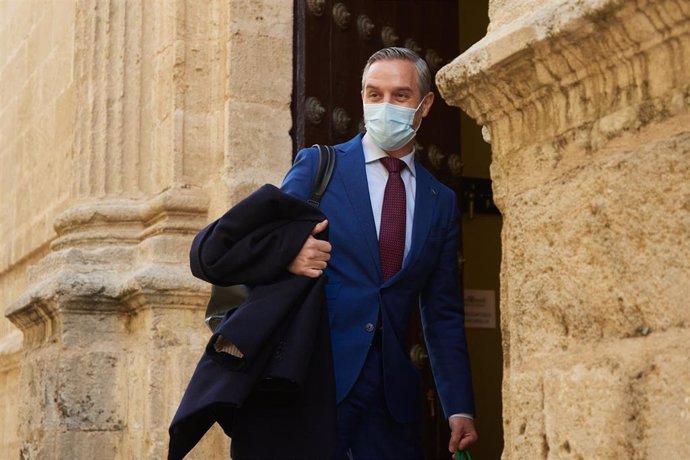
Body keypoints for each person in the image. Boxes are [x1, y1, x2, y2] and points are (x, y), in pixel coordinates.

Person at [281, 47, 478, 460]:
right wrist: (290, 257)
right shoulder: (319, 168)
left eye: (400, 96)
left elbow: (441, 312)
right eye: (375, 94)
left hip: (392, 403)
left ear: (425, 105)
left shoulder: (438, 200)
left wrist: (458, 406)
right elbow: (261, 244)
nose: (385, 105)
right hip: (314, 384)